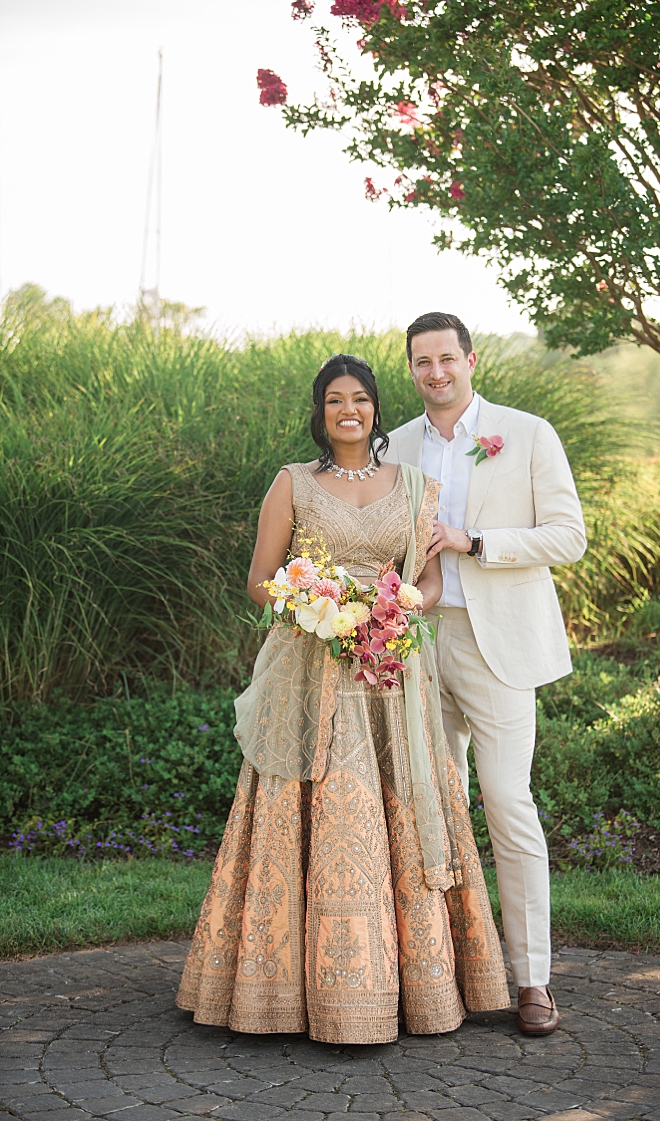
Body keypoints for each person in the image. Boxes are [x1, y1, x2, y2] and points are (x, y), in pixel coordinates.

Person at [178, 354, 509, 1044]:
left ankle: (413, 986)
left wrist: (396, 608)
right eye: (335, 400)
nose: (348, 410)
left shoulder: (414, 485)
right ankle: (286, 991)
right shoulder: (292, 483)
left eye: (359, 398)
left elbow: (432, 580)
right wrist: (313, 603)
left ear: (376, 409)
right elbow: (259, 579)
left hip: (391, 673)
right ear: (320, 411)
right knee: (308, 809)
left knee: (394, 810)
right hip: (311, 667)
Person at [386, 312, 587, 1036]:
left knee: (507, 803)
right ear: (411, 369)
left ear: (471, 360)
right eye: (421, 362)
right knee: (429, 807)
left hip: (498, 644)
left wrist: (473, 541)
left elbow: (569, 536)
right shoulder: (395, 444)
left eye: (446, 358)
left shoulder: (528, 432)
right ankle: (444, 971)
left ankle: (532, 979)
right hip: (414, 644)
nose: (435, 372)